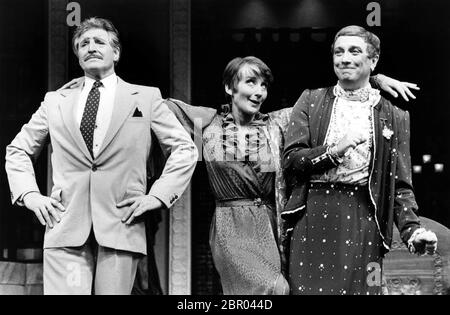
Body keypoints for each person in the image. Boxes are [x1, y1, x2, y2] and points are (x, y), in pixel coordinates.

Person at [61, 55, 419, 295]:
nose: (258, 91)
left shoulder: (277, 123)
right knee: (273, 290)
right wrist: (89, 85)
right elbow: (156, 103)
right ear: (230, 88)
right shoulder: (206, 122)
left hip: (270, 222)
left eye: (263, 85)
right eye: (249, 83)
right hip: (230, 223)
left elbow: (325, 98)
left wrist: (375, 78)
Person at [4, 17, 198, 295]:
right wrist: (30, 195)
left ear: (115, 53)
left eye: (99, 41)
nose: (91, 47)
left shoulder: (145, 97)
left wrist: (157, 196)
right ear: (78, 55)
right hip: (65, 225)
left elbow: (185, 148)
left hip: (122, 223)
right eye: (83, 43)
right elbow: (18, 149)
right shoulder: (55, 101)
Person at [282, 25, 437, 295]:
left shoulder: (394, 115)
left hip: (364, 219)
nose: (344, 58)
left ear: (373, 60)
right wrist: (333, 151)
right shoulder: (311, 100)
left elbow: (400, 184)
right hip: (312, 217)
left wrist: (412, 230)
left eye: (354, 51)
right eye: (338, 52)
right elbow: (292, 160)